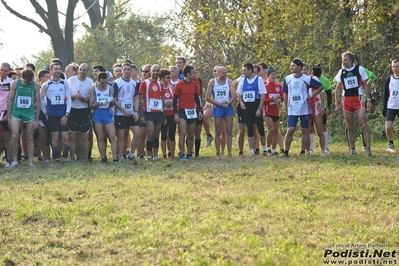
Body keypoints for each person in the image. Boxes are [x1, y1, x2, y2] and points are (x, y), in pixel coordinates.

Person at [283, 58, 324, 156]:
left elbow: (321, 86)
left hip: (304, 108)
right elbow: (285, 93)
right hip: (292, 109)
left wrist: (312, 95)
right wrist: (286, 107)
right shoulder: (288, 78)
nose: (291, 67)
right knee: (290, 129)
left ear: (299, 67)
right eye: (291, 65)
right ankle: (286, 151)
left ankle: (303, 151)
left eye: (293, 66)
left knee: (305, 130)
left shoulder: (306, 78)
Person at [335, 51, 372, 156]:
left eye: (345, 60)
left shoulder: (359, 69)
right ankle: (352, 148)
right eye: (343, 60)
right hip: (346, 100)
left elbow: (365, 85)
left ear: (351, 60)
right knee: (350, 126)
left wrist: (368, 100)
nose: (344, 62)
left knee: (363, 124)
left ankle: (368, 148)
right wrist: (337, 104)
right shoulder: (341, 72)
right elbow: (337, 88)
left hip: (358, 99)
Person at [7, 69, 41, 167]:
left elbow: (38, 102)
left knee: (30, 137)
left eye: (29, 81)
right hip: (16, 112)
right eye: (26, 81)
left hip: (29, 113)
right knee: (14, 136)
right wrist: (8, 116)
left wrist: (36, 119)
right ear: (22, 77)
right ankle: (15, 160)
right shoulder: (15, 83)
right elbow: (10, 99)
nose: (28, 83)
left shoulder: (35, 85)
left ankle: (30, 161)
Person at [40, 61, 72, 163]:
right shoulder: (46, 85)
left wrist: (66, 115)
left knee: (66, 137)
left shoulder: (64, 83)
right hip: (52, 115)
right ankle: (56, 159)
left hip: (63, 114)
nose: (57, 71)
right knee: (55, 138)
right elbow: (40, 99)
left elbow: (69, 99)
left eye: (59, 69)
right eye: (55, 69)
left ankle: (65, 159)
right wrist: (45, 113)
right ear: (51, 70)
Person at [236, 63, 267, 156]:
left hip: (256, 105)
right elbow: (239, 93)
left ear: (250, 70)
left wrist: (259, 108)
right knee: (250, 129)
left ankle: (264, 150)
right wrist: (241, 102)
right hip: (247, 107)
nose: (243, 72)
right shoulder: (242, 80)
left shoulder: (258, 79)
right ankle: (252, 151)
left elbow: (263, 94)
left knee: (260, 129)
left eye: (245, 70)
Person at [173, 65, 203, 161]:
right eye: (192, 73)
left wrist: (199, 110)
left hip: (192, 111)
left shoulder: (194, 84)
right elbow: (174, 100)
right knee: (183, 133)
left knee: (191, 134)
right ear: (187, 74)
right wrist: (175, 114)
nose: (194, 75)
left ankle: (189, 153)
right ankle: (182, 153)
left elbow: (196, 98)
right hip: (182, 111)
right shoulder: (179, 84)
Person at [113, 62, 141, 161]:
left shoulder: (135, 83)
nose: (126, 71)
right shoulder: (117, 83)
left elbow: (136, 98)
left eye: (128, 69)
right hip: (120, 113)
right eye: (124, 69)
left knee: (137, 134)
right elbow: (114, 100)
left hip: (132, 112)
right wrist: (123, 110)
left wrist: (136, 111)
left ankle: (131, 154)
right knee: (121, 135)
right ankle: (121, 156)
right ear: (121, 71)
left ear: (131, 71)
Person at [205, 65, 235, 156]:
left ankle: (229, 152)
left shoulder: (229, 82)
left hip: (228, 108)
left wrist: (228, 103)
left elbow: (234, 96)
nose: (225, 74)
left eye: (226, 72)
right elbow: (207, 97)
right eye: (223, 73)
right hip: (218, 108)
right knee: (218, 131)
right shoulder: (212, 82)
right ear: (217, 73)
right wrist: (219, 104)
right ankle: (218, 152)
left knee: (229, 130)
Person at [89, 72, 118, 164]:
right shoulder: (93, 89)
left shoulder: (110, 88)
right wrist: (99, 103)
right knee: (100, 137)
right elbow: (91, 105)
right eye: (102, 83)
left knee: (112, 136)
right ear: (98, 81)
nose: (104, 84)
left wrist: (110, 102)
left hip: (107, 113)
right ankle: (103, 158)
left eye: (105, 82)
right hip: (98, 113)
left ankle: (115, 158)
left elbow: (112, 102)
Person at [67, 63, 93, 161]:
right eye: (80, 69)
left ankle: (85, 157)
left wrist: (82, 98)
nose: (82, 71)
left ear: (87, 72)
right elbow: (66, 96)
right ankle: (73, 157)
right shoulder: (71, 80)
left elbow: (90, 99)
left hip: (84, 111)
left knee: (85, 136)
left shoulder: (90, 82)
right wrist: (75, 97)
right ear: (78, 70)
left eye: (84, 70)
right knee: (72, 135)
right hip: (73, 110)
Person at [139, 64, 164, 160]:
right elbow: (140, 99)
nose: (155, 73)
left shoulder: (160, 84)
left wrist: (164, 115)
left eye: (157, 71)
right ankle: (149, 155)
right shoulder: (145, 83)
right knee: (150, 133)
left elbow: (161, 98)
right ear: (150, 72)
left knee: (156, 134)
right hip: (148, 112)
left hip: (159, 112)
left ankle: (156, 155)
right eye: (154, 71)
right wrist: (141, 115)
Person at [302, 63, 325, 156]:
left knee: (319, 129)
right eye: (302, 69)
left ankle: (323, 150)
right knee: (306, 130)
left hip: (315, 104)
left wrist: (323, 105)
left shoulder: (313, 78)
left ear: (308, 70)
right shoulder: (299, 80)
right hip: (305, 106)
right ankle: (307, 151)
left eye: (305, 69)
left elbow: (322, 92)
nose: (303, 71)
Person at [262, 67, 284, 155]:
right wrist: (272, 99)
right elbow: (263, 100)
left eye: (275, 74)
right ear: (268, 76)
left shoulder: (279, 85)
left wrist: (279, 100)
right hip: (267, 111)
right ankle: (268, 148)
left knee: (275, 130)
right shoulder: (264, 85)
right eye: (272, 74)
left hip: (276, 111)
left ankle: (274, 149)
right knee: (271, 129)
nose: (274, 76)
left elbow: (282, 97)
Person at [382, 59, 399, 154]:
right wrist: (384, 106)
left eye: (397, 66)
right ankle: (391, 143)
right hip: (391, 106)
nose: (395, 68)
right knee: (388, 127)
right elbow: (385, 94)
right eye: (393, 66)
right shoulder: (389, 79)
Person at [160, 69, 176, 158]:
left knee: (172, 134)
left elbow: (175, 99)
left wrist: (172, 102)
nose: (170, 78)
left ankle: (172, 153)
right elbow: (158, 99)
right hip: (163, 114)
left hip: (172, 113)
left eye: (170, 77)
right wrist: (164, 103)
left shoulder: (171, 87)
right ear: (162, 78)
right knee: (163, 134)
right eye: (167, 77)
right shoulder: (160, 87)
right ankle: (164, 154)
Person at [36, 69, 51, 163]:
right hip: (41, 115)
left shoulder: (52, 87)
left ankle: (55, 156)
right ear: (41, 78)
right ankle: (46, 158)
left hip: (52, 114)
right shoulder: (36, 88)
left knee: (53, 137)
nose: (49, 79)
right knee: (43, 137)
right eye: (47, 77)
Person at [0, 62, 13, 167]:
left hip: (6, 111)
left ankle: (8, 160)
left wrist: (8, 114)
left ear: (8, 72)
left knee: (8, 137)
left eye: (5, 70)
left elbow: (12, 99)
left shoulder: (12, 83)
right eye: (1, 70)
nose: (3, 72)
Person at [137, 64, 151, 159]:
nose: (144, 73)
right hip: (140, 110)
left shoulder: (156, 84)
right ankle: (140, 154)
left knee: (149, 133)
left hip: (151, 110)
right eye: (143, 71)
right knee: (141, 133)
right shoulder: (137, 84)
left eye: (146, 71)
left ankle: (149, 153)